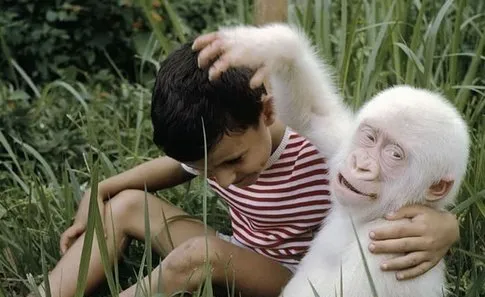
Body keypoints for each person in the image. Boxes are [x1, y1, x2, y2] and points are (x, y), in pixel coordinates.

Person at [35, 41, 459, 297]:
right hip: (239, 250)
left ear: (267, 110)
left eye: (233, 161)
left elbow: (398, 189)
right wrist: (101, 190)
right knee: (126, 204)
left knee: (199, 256)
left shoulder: (325, 146)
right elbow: (176, 167)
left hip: (298, 277)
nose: (220, 179)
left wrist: (446, 227)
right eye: (206, 168)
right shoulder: (219, 145)